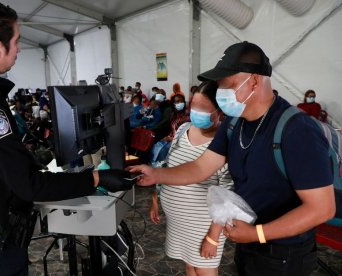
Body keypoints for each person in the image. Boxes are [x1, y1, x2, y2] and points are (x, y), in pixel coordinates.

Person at [0, 2, 133, 275]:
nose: (19, 48)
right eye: (16, 41)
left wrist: (24, 156)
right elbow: (27, 185)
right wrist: (95, 179)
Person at [130, 41, 335, 275]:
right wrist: (156, 174)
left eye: (227, 84)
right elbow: (200, 167)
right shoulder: (234, 123)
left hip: (284, 254)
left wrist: (258, 233)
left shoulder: (297, 130)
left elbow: (322, 209)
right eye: (219, 86)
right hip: (247, 243)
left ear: (255, 80)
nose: (221, 92)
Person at [150, 81, 233, 275]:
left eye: (202, 108)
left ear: (220, 112)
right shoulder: (182, 130)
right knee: (189, 266)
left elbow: (227, 194)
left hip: (203, 224)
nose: (195, 111)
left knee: (204, 269)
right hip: (179, 221)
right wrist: (156, 198)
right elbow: (168, 165)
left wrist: (213, 237)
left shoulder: (225, 142)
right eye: (193, 105)